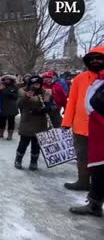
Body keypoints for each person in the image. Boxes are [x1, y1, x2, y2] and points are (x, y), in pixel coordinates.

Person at [62, 46, 104, 191]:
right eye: (91, 59)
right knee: (82, 156)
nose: (95, 62)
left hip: (100, 127)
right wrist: (66, 122)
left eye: (99, 58)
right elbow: (72, 101)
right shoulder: (79, 79)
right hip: (80, 126)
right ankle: (83, 181)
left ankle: (98, 187)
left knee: (100, 159)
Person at [70, 68, 104, 217]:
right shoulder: (82, 78)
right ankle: (94, 202)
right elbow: (74, 100)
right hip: (89, 126)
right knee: (93, 165)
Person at [14, 76, 53, 171]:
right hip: (27, 121)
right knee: (23, 143)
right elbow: (18, 104)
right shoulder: (23, 91)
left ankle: (33, 161)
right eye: (34, 84)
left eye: (38, 84)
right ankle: (18, 160)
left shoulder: (45, 92)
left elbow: (52, 107)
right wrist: (26, 97)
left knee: (36, 145)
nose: (36, 86)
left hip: (40, 122)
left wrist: (46, 107)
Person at [0, 75, 19, 140]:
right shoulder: (1, 86)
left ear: (11, 80)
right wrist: (0, 90)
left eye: (8, 79)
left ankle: (10, 135)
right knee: (2, 120)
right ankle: (1, 133)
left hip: (11, 107)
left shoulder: (14, 87)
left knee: (11, 121)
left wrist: (6, 92)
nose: (7, 80)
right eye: (5, 79)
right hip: (3, 105)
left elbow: (16, 96)